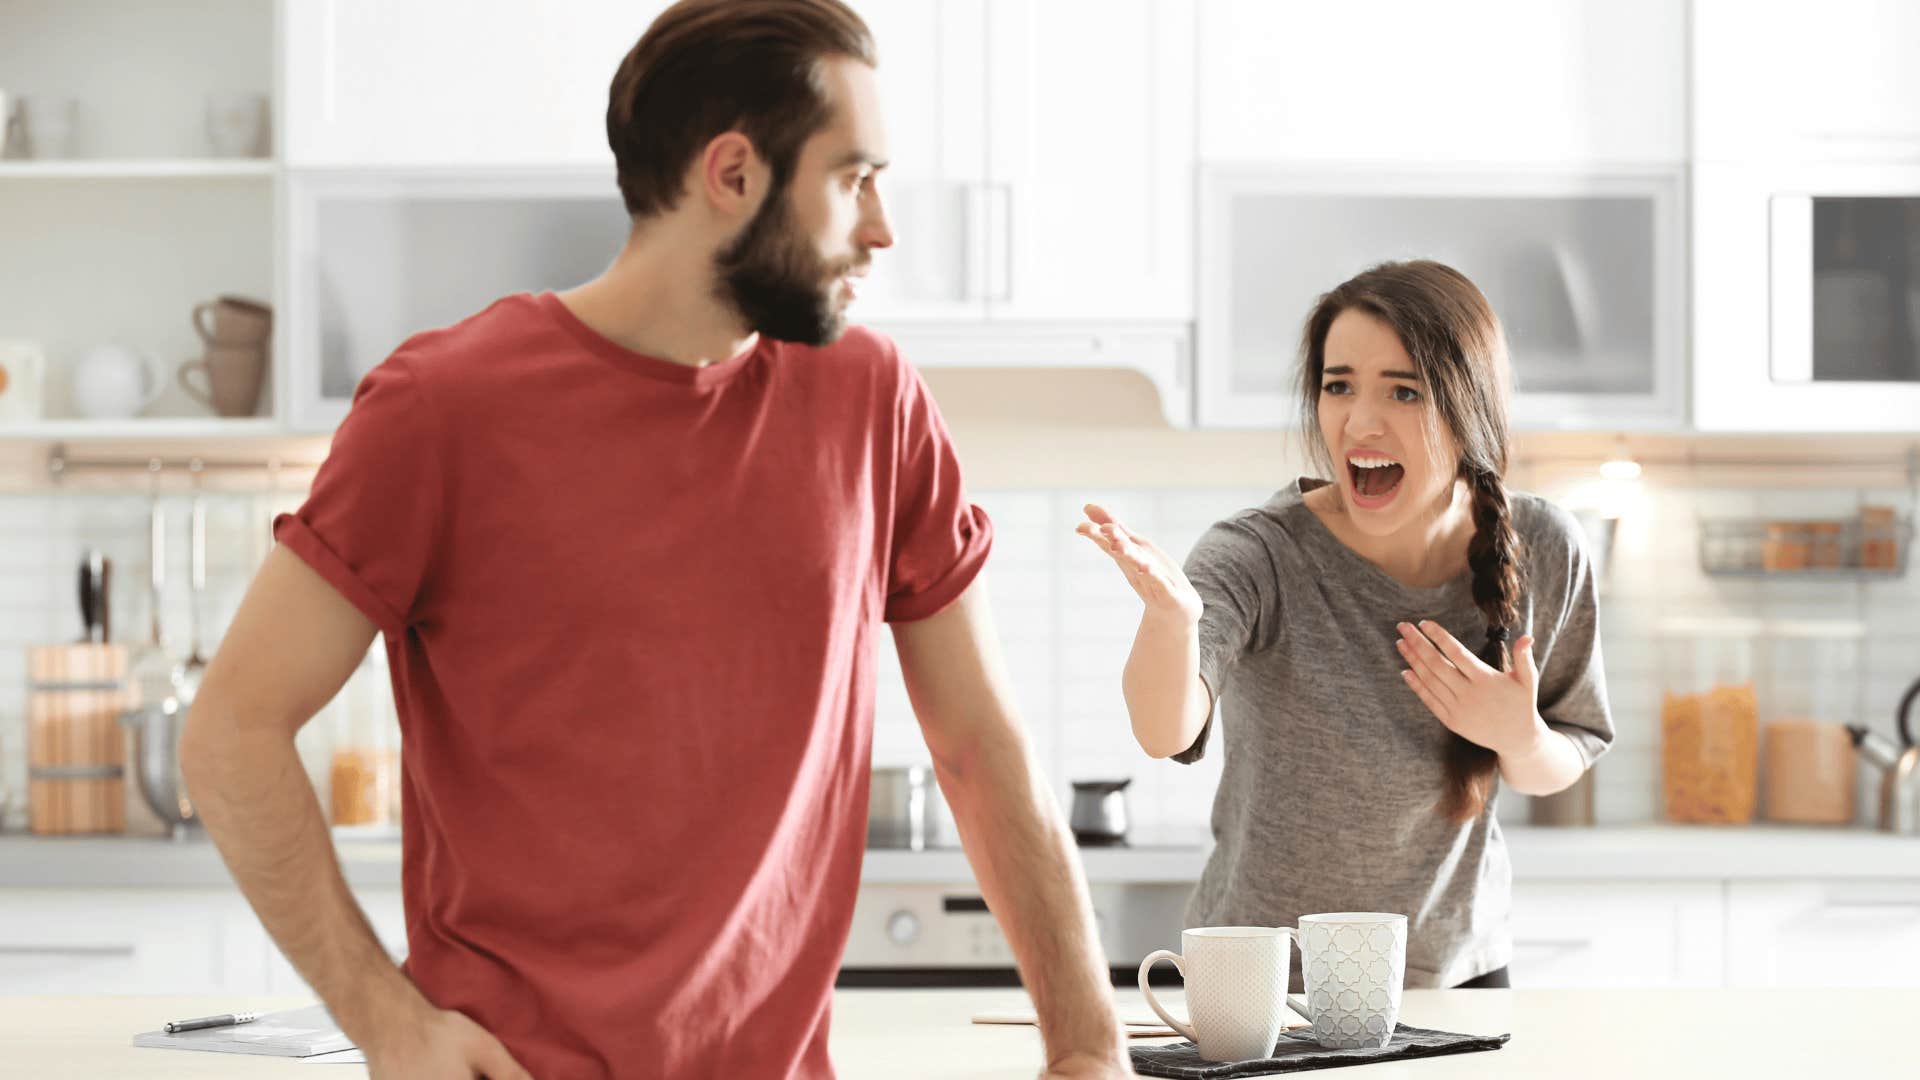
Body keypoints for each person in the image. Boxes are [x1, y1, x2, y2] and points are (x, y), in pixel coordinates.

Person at [180, 2, 1132, 1077]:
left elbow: (979, 746)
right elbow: (232, 731)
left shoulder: (872, 402)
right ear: (732, 175)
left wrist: (1089, 1048)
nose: (883, 228)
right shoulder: (443, 408)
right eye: (852, 177)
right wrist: (386, 1021)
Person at [1076, 259, 1613, 991]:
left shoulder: (1546, 547)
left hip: (1448, 974)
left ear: (1468, 407)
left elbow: (1567, 749)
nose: (1360, 421)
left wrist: (1518, 736)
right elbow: (1163, 730)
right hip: (1261, 979)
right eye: (1338, 386)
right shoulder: (1257, 552)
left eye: (1404, 390)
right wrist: (1172, 622)